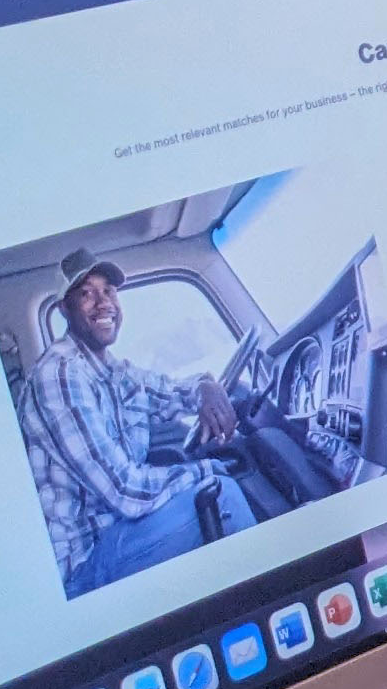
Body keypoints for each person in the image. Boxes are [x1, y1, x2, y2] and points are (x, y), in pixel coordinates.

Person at [19, 251, 251, 597]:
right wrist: (209, 469)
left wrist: (205, 387)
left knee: (210, 484)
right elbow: (125, 491)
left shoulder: (111, 369)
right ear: (65, 309)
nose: (103, 303)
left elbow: (166, 390)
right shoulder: (60, 374)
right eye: (86, 293)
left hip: (119, 529)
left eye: (109, 291)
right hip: (86, 562)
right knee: (222, 495)